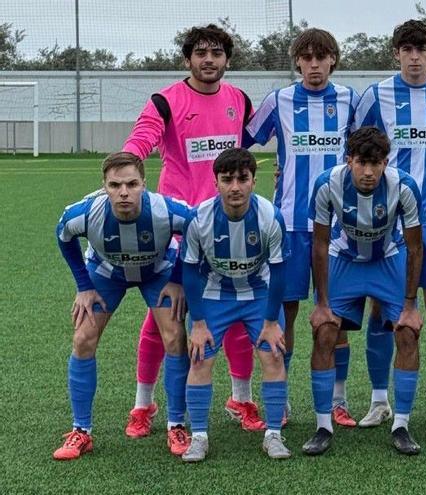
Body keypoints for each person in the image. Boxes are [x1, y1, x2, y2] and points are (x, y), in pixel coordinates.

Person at [122, 24, 263, 435]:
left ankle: (241, 399)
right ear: (187, 59)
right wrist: (126, 167)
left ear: (227, 59)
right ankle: (143, 407)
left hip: (228, 227)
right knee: (162, 319)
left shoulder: (239, 99)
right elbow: (143, 138)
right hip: (178, 231)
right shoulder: (166, 101)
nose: (208, 60)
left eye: (216, 53)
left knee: (235, 319)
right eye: (200, 53)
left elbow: (251, 147)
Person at [351, 19, 426, 428]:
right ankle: (380, 400)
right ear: (396, 52)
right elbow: (355, 146)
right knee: (384, 307)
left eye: (422, 49)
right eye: (407, 49)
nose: (414, 57)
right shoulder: (377, 94)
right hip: (389, 222)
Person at [246, 27, 361, 427]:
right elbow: (243, 138)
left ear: (333, 60)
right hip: (290, 223)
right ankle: (284, 396)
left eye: (322, 57)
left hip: (340, 225)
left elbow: (369, 147)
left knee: (337, 313)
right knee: (286, 310)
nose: (314, 65)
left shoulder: (350, 100)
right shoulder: (279, 100)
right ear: (297, 62)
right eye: (307, 58)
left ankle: (338, 400)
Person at [53, 152, 192, 460]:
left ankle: (177, 424)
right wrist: (83, 286)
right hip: (107, 273)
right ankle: (81, 431)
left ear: (145, 184)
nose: (124, 192)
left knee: (174, 337)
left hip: (157, 271)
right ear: (104, 187)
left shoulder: (164, 211)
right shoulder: (86, 213)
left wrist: (178, 279)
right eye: (115, 185)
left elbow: (195, 228)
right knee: (82, 339)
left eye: (131, 183)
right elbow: (63, 235)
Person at [304, 127, 424, 456]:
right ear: (348, 160)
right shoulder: (327, 183)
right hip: (345, 260)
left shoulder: (404, 186)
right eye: (361, 163)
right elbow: (320, 243)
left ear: (386, 162)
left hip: (387, 260)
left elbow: (415, 249)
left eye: (376, 164)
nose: (369, 172)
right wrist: (322, 303)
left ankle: (401, 424)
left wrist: (411, 305)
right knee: (325, 331)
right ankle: (323, 426)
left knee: (407, 332)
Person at [179, 148, 289, 462]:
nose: (235, 187)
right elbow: (189, 269)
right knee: (200, 359)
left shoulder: (270, 216)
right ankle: (199, 436)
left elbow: (279, 270)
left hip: (259, 295)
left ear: (254, 181)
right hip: (215, 294)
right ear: (216, 182)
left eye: (242, 179)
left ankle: (273, 436)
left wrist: (270, 322)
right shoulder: (199, 218)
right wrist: (198, 322)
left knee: (274, 357)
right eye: (227, 180)